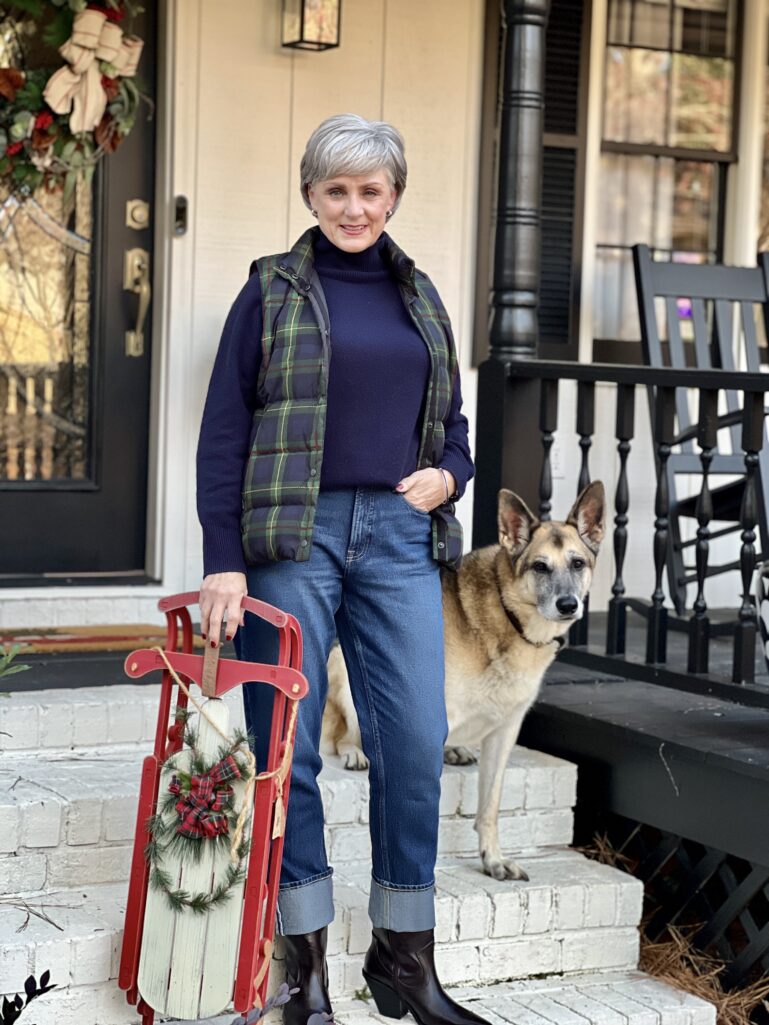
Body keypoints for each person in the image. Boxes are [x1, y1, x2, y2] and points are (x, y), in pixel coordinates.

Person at [196, 113, 487, 1025]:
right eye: (336, 190)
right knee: (288, 749)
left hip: (400, 537)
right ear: (310, 194)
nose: (354, 206)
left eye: (370, 190)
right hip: (293, 536)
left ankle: (403, 959)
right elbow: (225, 432)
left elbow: (454, 429)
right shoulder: (271, 292)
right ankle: (302, 970)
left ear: (392, 196)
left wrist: (450, 474)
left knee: (412, 742)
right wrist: (222, 562)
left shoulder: (420, 296)